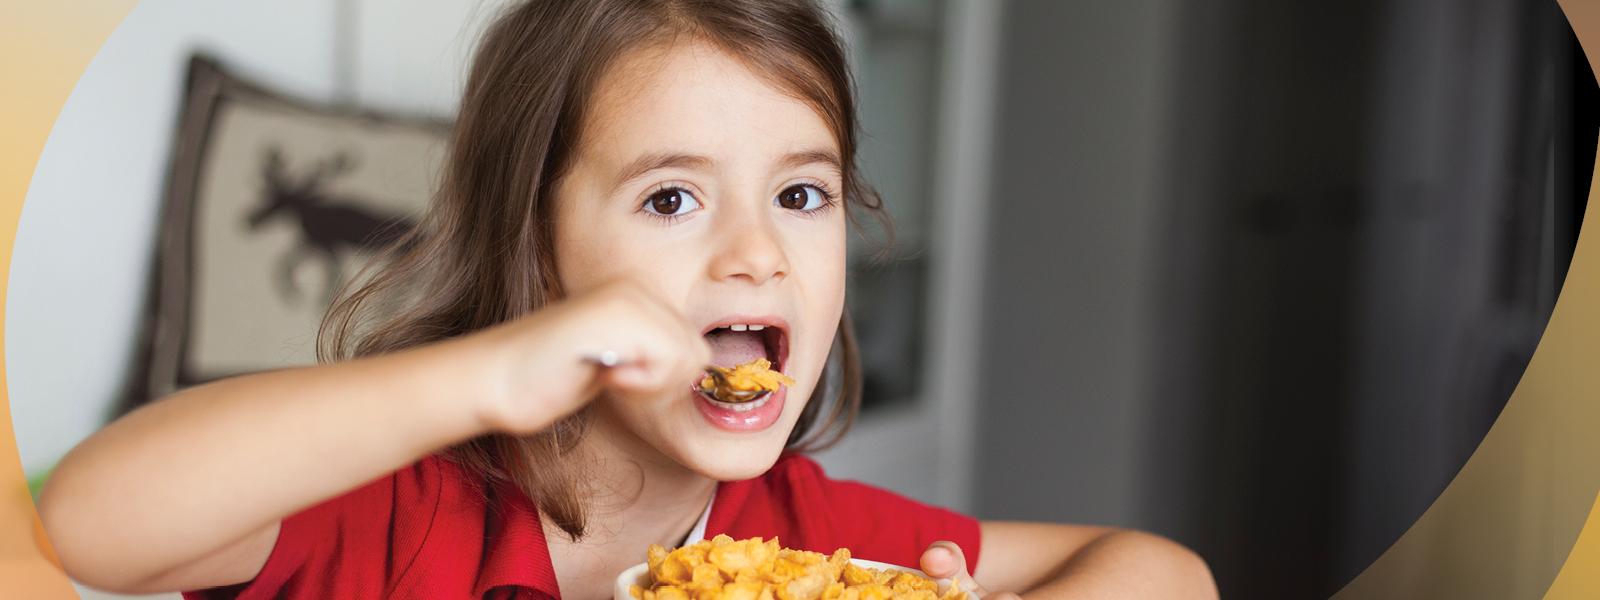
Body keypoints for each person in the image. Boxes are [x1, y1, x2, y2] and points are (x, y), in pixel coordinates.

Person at [38, 1, 1216, 598]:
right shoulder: (392, 512)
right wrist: (487, 371)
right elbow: (85, 523)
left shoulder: (813, 553)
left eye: (801, 196)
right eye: (670, 201)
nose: (756, 254)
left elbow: (1163, 572)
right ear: (536, 250)